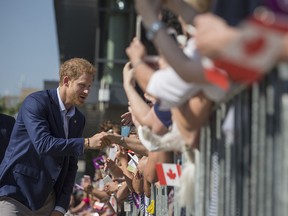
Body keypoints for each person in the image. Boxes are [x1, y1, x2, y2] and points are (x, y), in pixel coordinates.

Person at [0, 58, 109, 216]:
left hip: (48, 202)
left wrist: (60, 207)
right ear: (66, 81)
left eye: (89, 86)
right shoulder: (36, 102)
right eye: (82, 85)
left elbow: (71, 165)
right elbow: (43, 144)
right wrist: (87, 142)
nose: (87, 91)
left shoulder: (79, 119)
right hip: (16, 195)